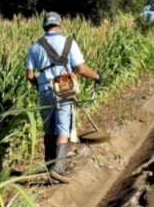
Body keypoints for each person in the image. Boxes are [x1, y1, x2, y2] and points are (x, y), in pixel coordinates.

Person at [25, 11, 103, 180]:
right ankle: (58, 169)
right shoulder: (69, 43)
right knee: (63, 129)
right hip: (64, 90)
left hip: (45, 91)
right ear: (59, 25)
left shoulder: (35, 46)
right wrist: (97, 76)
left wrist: (42, 86)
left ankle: (48, 165)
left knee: (48, 129)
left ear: (44, 26)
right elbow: (81, 69)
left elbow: (30, 75)